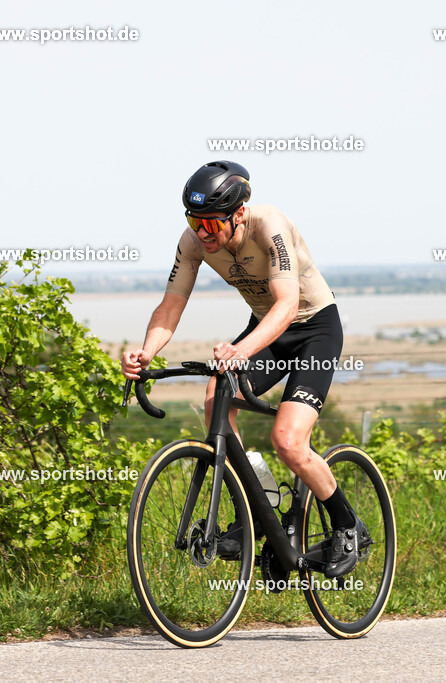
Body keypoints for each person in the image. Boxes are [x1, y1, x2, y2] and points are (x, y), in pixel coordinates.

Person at [121, 160, 365, 578]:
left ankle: (348, 525)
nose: (202, 233)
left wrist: (239, 350)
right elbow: (172, 304)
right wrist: (146, 352)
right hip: (266, 329)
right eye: (194, 222)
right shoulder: (195, 239)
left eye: (211, 225)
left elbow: (287, 305)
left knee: (288, 441)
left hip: (313, 330)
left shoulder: (269, 225)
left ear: (237, 214)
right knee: (218, 400)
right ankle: (255, 506)